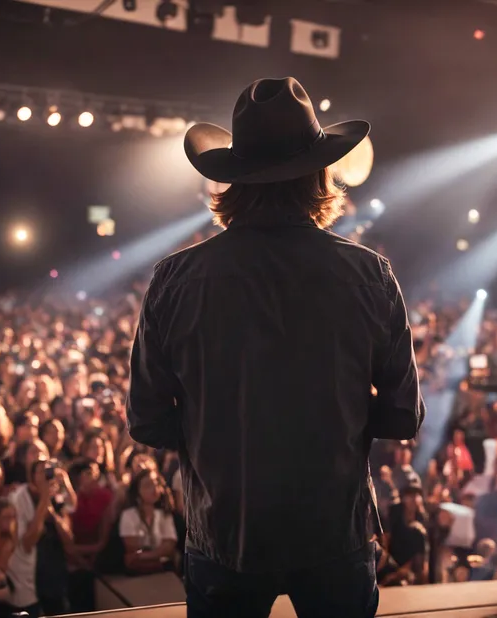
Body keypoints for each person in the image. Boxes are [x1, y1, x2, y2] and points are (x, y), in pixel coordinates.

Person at [128, 76, 425, 618]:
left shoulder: (175, 278)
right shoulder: (370, 274)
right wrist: (337, 418)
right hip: (335, 533)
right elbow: (403, 415)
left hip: (224, 533)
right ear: (321, 174)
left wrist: (217, 438)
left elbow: (146, 420)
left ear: (233, 181)